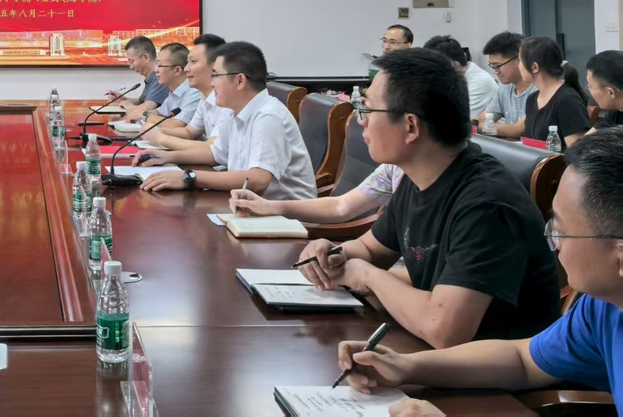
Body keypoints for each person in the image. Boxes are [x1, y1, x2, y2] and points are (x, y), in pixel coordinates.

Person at [333, 130, 623, 417]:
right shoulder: (601, 305)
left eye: (562, 231)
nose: (553, 242)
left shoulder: (489, 200)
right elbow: (522, 360)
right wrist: (406, 366)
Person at [298, 48, 560, 348]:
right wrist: (332, 253)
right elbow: (370, 249)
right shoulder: (417, 177)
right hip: (431, 355)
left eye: (368, 109)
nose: (361, 121)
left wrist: (368, 277)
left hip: (494, 372)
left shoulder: (487, 204)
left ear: (410, 126)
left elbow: (443, 330)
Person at [138, 41, 316, 200]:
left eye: (215, 75)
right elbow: (215, 154)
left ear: (239, 81)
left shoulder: (268, 116)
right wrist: (164, 157)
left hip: (287, 217)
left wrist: (189, 177)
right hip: (249, 206)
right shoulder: (234, 111)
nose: (212, 83)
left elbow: (258, 180)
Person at [230, 163, 404, 224]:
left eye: (368, 110)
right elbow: (341, 206)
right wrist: (268, 206)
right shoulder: (393, 168)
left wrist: (364, 273)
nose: (361, 120)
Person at [142, 33, 226, 151]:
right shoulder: (205, 96)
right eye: (187, 62)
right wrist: (154, 131)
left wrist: (161, 138)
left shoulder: (227, 101)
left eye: (193, 61)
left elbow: (212, 149)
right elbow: (189, 132)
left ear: (215, 66)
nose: (186, 68)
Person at [519, 36, 590, 149]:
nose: (518, 66)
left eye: (520, 61)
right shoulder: (532, 99)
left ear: (534, 67)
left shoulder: (568, 99)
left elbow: (577, 150)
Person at [424, 34, 498, 119]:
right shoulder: (452, 79)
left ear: (455, 65)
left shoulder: (480, 82)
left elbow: (459, 120)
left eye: (436, 67)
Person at [482, 31, 537, 137]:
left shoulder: (538, 89)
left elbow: (519, 130)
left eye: (498, 66)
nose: (495, 72)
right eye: (492, 66)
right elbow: (483, 119)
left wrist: (480, 126)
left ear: (519, 59)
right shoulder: (504, 88)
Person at [143, 43, 205, 126]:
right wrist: (147, 114)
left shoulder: (194, 92)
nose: (155, 70)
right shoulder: (174, 91)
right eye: (156, 64)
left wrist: (147, 116)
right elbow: (159, 112)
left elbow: (177, 125)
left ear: (177, 70)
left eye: (160, 65)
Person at [109, 36, 169, 122]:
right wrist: (123, 98)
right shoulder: (150, 78)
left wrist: (129, 106)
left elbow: (146, 108)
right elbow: (142, 101)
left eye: (132, 61)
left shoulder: (159, 78)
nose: (131, 67)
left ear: (145, 57)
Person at [586, 50, 623, 129]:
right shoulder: (616, 112)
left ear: (610, 92)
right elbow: (590, 136)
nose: (589, 90)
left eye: (590, 86)